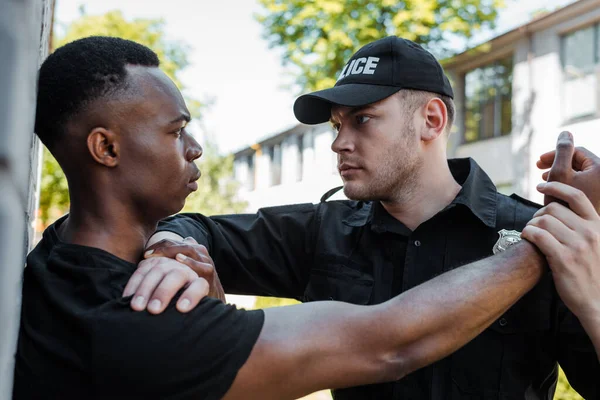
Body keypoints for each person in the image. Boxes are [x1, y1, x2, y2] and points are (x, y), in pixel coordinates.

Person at [14, 35, 583, 400]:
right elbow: (388, 342)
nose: (340, 142)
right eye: (337, 125)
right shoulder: (321, 231)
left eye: (362, 120)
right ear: (105, 148)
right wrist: (172, 244)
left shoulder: (547, 235)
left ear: (431, 119)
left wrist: (559, 234)